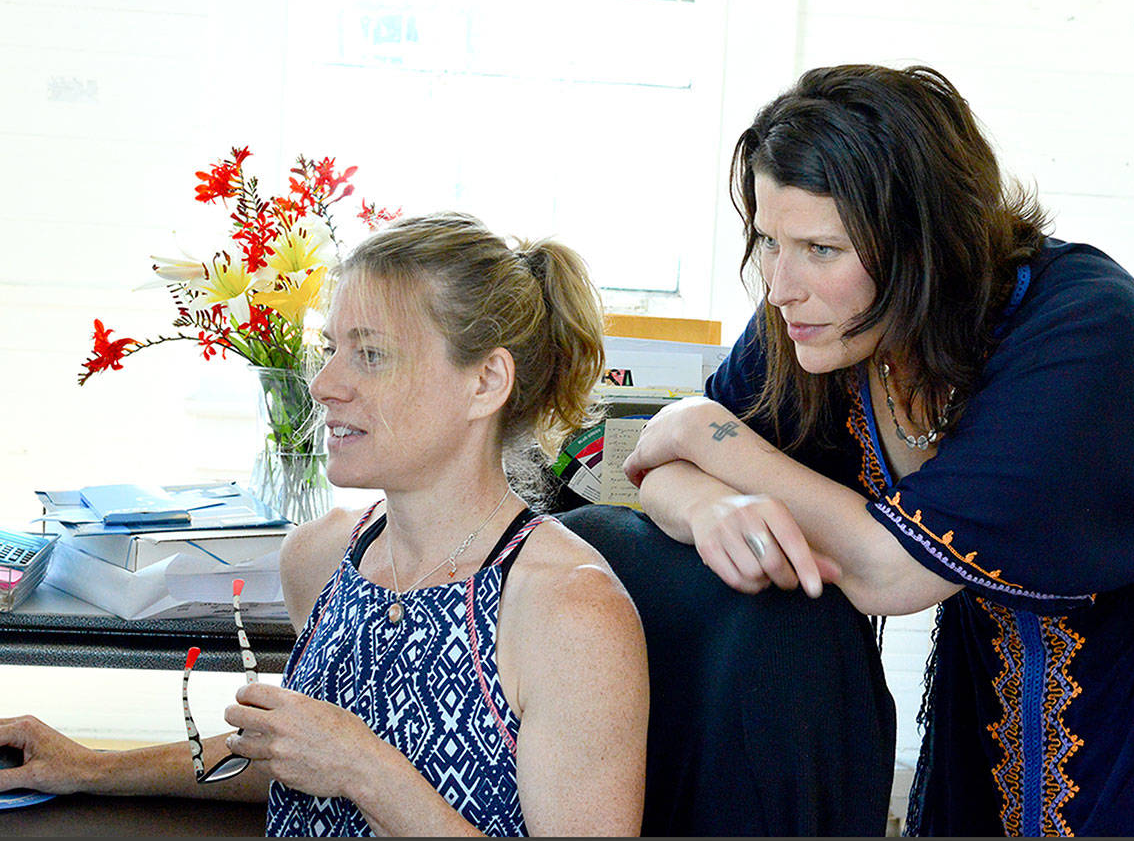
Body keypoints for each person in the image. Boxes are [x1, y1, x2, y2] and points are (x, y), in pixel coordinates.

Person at [622, 64, 1134, 836]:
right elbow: (650, 471)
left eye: (820, 248)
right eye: (770, 241)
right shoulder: (821, 326)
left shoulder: (1084, 325)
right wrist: (713, 502)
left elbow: (888, 570)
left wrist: (698, 430)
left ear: (924, 245)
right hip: (1016, 648)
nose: (779, 286)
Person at [0, 213, 649, 837]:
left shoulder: (571, 612)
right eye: (331, 349)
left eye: (370, 355)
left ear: (484, 381)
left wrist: (365, 771)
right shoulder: (321, 555)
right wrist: (85, 765)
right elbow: (295, 765)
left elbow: (344, 764)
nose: (325, 384)